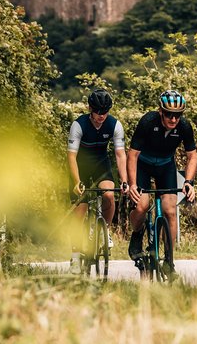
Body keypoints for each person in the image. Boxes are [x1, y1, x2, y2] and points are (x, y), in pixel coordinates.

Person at [127, 90, 197, 278]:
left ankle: (168, 261)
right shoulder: (148, 122)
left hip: (166, 166)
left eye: (177, 115)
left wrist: (189, 182)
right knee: (142, 206)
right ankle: (137, 233)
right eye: (168, 114)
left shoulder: (184, 126)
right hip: (143, 165)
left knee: (170, 211)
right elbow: (132, 155)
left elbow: (192, 156)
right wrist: (132, 184)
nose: (173, 119)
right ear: (160, 111)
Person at [67, 89, 129, 274]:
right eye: (98, 111)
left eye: (105, 111)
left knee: (109, 195)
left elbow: (120, 154)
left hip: (101, 165)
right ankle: (75, 257)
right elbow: (71, 156)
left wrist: (124, 180)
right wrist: (77, 181)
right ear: (90, 109)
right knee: (80, 211)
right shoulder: (78, 125)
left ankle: (105, 230)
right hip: (80, 166)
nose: (102, 115)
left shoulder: (114, 125)